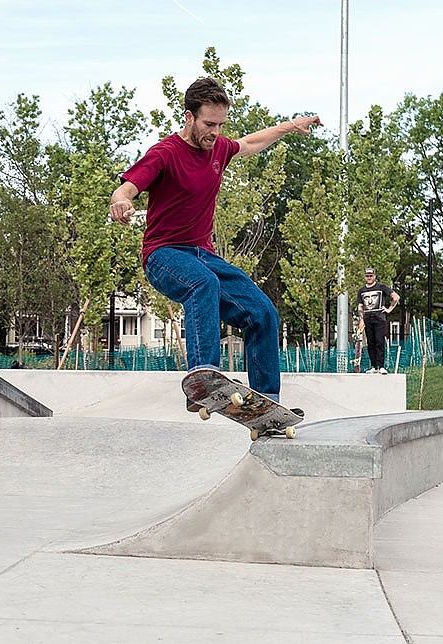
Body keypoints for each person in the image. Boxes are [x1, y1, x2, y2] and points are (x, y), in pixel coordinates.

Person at [109, 77, 321, 404]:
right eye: (209, 124)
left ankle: (267, 403)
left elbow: (250, 143)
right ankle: (203, 380)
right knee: (203, 284)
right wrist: (120, 201)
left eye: (221, 125)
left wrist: (291, 126)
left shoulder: (219, 148)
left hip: (203, 255)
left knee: (263, 312)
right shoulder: (164, 153)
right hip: (164, 255)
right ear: (189, 117)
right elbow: (126, 187)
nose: (215, 133)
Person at [355, 267, 400, 374]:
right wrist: (361, 320)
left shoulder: (381, 287)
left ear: (374, 276)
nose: (369, 278)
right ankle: (374, 366)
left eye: (371, 276)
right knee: (371, 343)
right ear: (365, 277)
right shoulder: (361, 291)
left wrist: (389, 309)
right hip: (367, 318)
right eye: (367, 276)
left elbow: (396, 297)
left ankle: (381, 366)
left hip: (379, 317)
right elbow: (360, 306)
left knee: (379, 341)